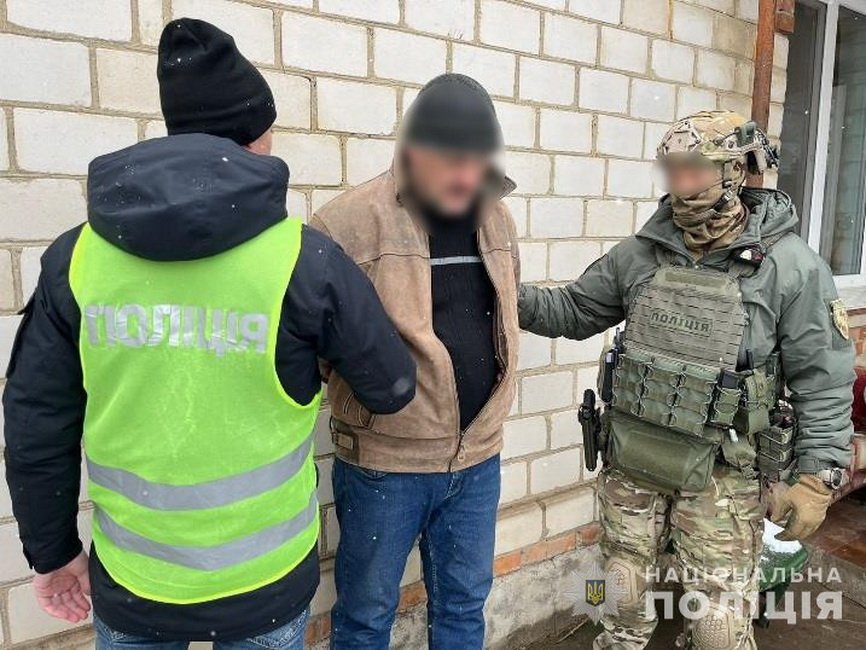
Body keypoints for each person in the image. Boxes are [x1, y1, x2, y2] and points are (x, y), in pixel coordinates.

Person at [3, 18, 415, 650]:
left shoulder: (75, 260)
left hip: (136, 584)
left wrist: (51, 553)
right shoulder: (304, 261)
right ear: (255, 138)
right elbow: (390, 387)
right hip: (266, 584)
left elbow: (36, 421)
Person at [518, 111, 854, 649]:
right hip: (633, 459)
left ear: (733, 172)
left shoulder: (790, 267)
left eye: (694, 169)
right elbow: (575, 311)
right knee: (618, 589)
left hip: (723, 472)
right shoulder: (641, 253)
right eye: (672, 169)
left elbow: (824, 378)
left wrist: (818, 476)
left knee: (717, 625)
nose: (680, 182)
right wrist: (503, 291)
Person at [311, 73, 520, 649]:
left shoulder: (497, 218)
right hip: (386, 465)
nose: (465, 177)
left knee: (463, 606)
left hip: (478, 459)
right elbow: (317, 346)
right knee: (366, 615)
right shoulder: (345, 223)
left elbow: (502, 315)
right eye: (449, 161)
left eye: (477, 163)